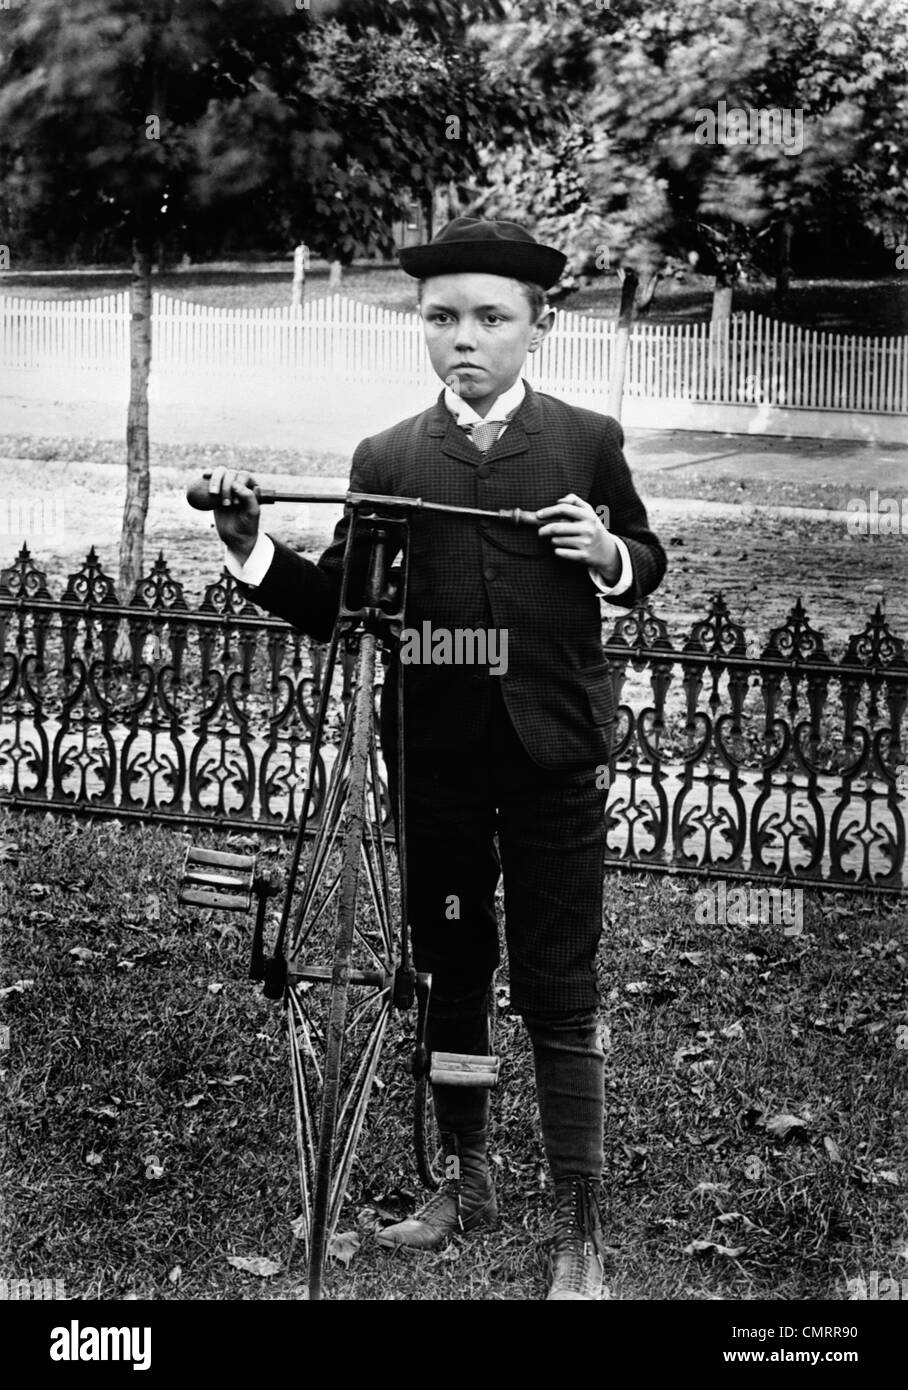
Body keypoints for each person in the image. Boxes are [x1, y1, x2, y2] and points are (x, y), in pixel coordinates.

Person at [204, 218, 667, 1300]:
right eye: (441, 319)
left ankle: (578, 1219)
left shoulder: (584, 442)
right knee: (453, 963)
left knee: (558, 977)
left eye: (490, 319)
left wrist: (605, 553)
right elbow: (339, 608)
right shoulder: (390, 458)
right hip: (435, 760)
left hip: (552, 756)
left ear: (538, 327)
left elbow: (642, 557)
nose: (464, 339)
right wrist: (247, 548)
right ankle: (464, 1172)